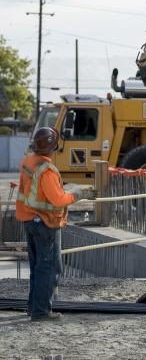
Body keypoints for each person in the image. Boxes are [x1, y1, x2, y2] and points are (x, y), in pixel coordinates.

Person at [16, 126, 92, 321]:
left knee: (37, 266)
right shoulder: (47, 170)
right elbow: (58, 200)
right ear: (54, 146)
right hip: (45, 223)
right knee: (48, 267)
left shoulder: (28, 161)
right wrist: (78, 194)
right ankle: (41, 311)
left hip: (29, 219)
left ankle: (34, 307)